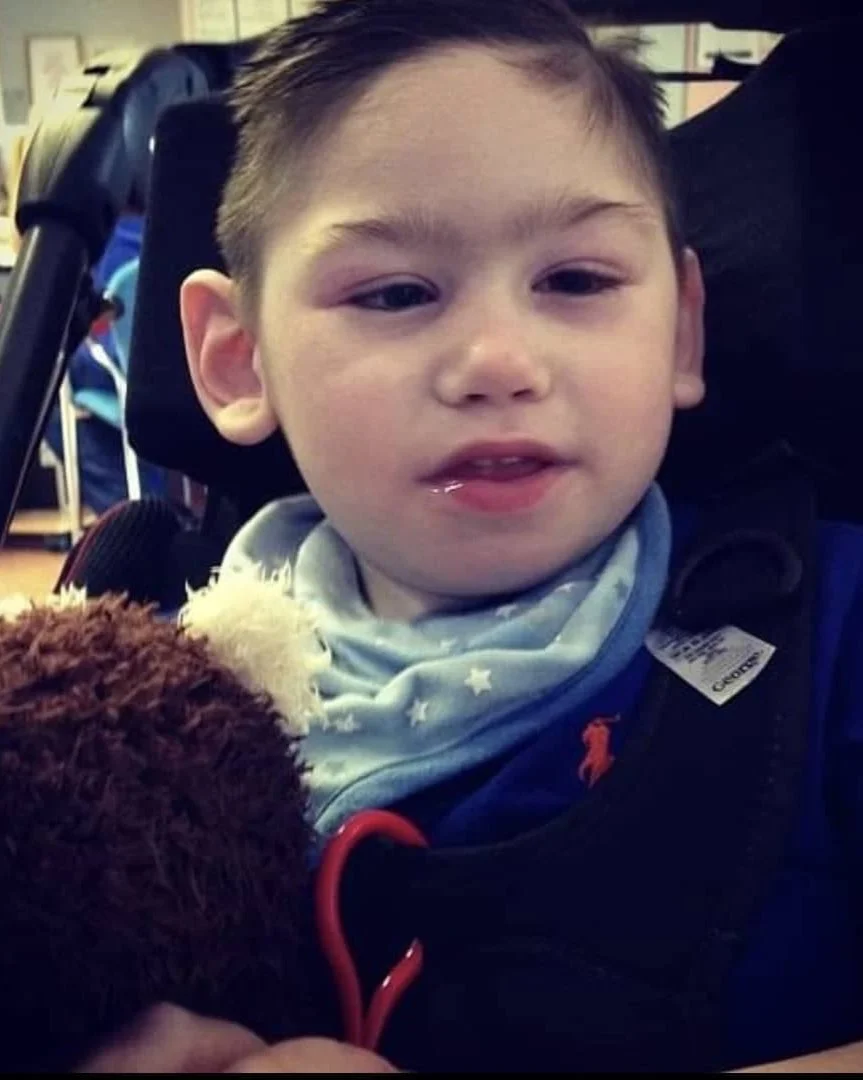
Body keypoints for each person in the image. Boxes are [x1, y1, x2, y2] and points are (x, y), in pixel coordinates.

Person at [83, 0, 863, 1071]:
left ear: (680, 330)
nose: (498, 359)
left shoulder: (833, 641)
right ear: (235, 359)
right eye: (396, 291)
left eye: (575, 280)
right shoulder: (155, 687)